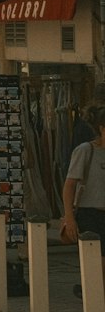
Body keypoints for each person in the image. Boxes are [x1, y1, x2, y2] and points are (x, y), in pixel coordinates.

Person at [61, 104, 105, 299]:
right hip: (91, 213)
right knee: (98, 262)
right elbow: (69, 185)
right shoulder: (86, 150)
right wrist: (69, 217)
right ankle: (95, 299)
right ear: (102, 128)